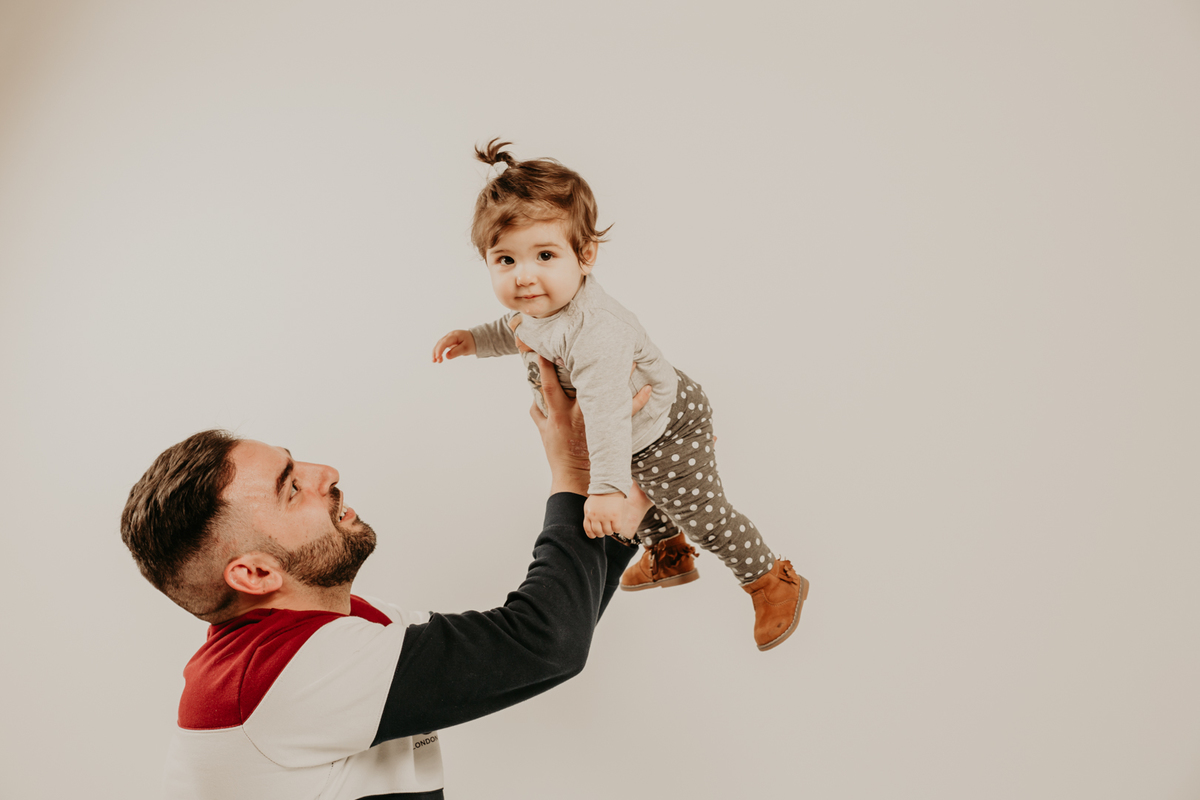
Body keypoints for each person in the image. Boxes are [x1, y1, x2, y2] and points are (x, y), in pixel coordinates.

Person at [119, 357, 647, 799]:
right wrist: (577, 474)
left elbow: (548, 633)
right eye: (291, 487)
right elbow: (543, 642)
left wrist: (622, 511)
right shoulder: (284, 675)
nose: (326, 473)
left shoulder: (342, 626)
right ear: (255, 573)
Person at [432, 139, 810, 651]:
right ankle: (666, 554)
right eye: (505, 260)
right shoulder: (540, 306)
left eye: (545, 255)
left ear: (584, 255)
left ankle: (768, 579)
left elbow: (608, 416)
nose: (524, 277)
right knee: (645, 480)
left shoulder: (595, 332)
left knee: (698, 508)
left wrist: (605, 489)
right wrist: (476, 340)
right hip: (627, 427)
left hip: (666, 421)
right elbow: (515, 326)